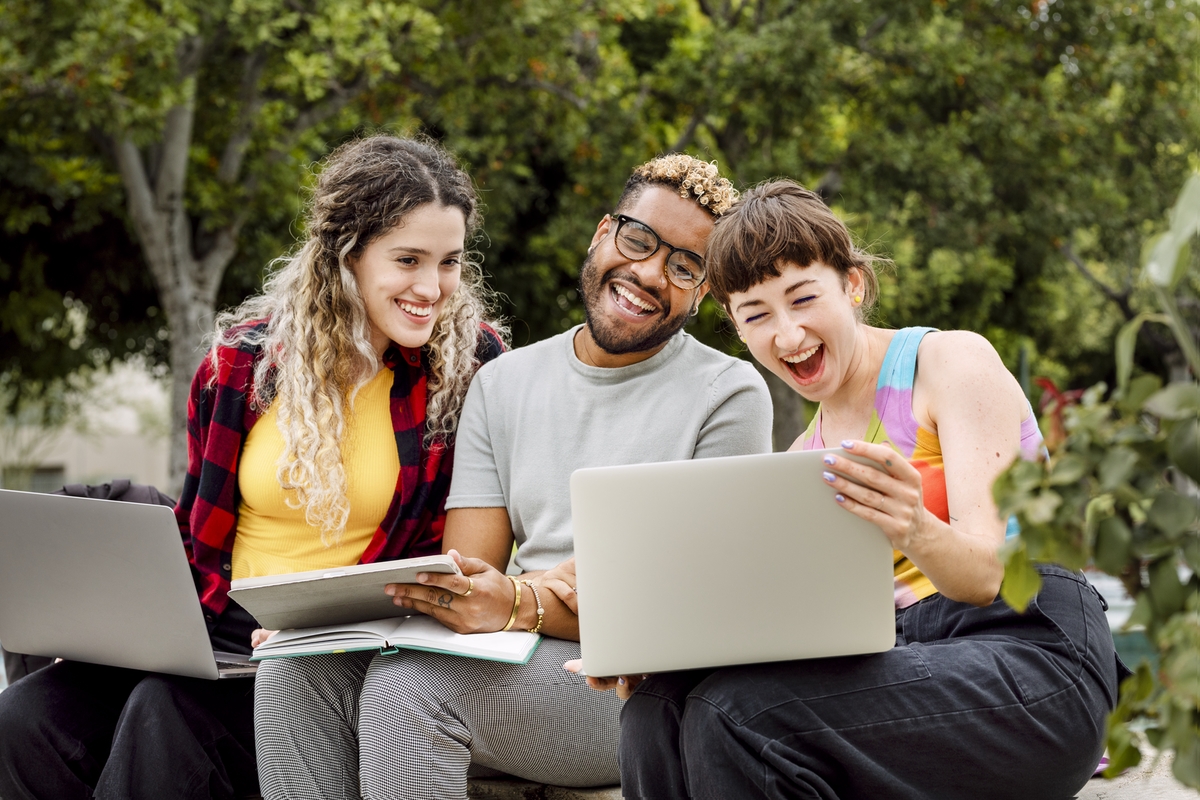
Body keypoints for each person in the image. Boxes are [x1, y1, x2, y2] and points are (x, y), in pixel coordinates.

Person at [252, 154, 774, 799]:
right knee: (292, 665)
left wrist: (523, 601)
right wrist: (329, 627)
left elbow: (681, 607)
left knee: (410, 687)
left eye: (684, 266)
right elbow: (470, 578)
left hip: (634, 682)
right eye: (638, 239)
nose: (646, 273)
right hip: (523, 648)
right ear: (602, 234)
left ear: (702, 291)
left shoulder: (727, 393)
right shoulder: (504, 381)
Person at [0, 134, 504, 800]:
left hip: (331, 651)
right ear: (345, 254)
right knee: (25, 718)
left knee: (165, 716)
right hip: (215, 634)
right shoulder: (241, 364)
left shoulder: (470, 371)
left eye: (448, 263)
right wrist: (118, 630)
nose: (431, 288)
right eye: (407, 260)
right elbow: (197, 532)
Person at [607, 180, 1124, 799]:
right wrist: (658, 648)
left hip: (1031, 655)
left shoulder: (948, 365)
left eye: (803, 299)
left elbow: (989, 575)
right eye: (757, 316)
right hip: (904, 661)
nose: (789, 335)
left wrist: (914, 526)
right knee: (654, 711)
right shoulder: (801, 462)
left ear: (852, 284)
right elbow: (798, 629)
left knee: (740, 713)